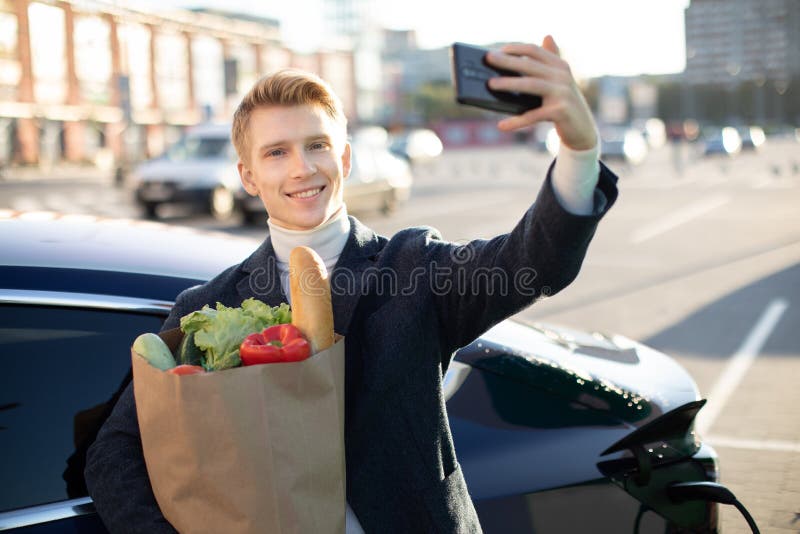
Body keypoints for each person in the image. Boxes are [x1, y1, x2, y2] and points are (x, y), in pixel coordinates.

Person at [85, 35, 618, 533]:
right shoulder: (207, 309)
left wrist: (578, 149)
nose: (302, 168)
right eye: (276, 152)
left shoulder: (413, 268)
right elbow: (115, 454)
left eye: (317, 145)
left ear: (342, 159)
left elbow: (534, 261)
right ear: (248, 175)